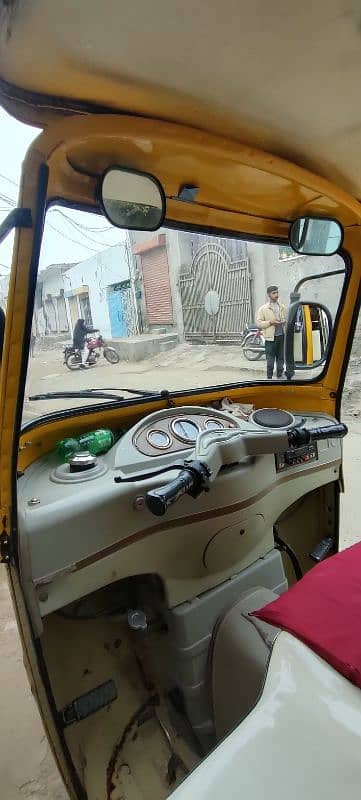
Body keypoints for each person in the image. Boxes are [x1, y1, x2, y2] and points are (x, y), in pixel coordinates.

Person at [256, 286, 287, 379]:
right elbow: (259, 323)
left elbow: (286, 319)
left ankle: (280, 376)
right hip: (270, 339)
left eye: (277, 292)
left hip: (281, 336)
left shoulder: (282, 307)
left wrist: (284, 321)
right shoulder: (263, 309)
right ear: (269, 295)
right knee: (270, 360)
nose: (276, 295)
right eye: (274, 293)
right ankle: (269, 378)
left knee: (281, 359)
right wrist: (270, 322)